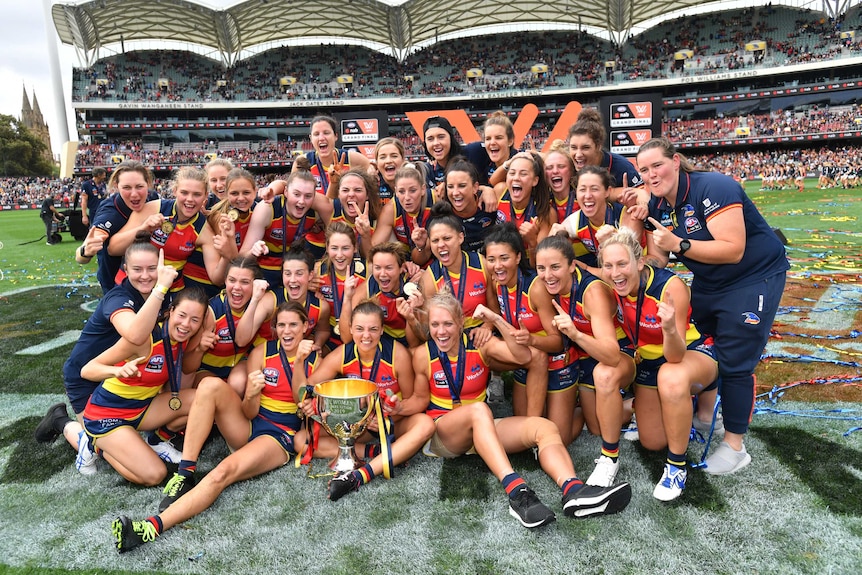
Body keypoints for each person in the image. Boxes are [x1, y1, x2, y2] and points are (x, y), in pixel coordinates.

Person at [636, 137, 789, 475]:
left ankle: (735, 446)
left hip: (752, 277)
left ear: (676, 161)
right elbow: (660, 257)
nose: (651, 174)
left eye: (656, 165)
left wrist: (679, 242)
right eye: (643, 170)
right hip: (712, 282)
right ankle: (707, 415)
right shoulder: (660, 205)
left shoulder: (715, 186)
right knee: (701, 344)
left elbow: (732, 249)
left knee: (736, 358)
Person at [111, 301, 316, 553]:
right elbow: (249, 411)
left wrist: (298, 364)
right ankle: (185, 473)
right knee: (208, 385)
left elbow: (303, 401)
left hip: (278, 437)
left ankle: (150, 528)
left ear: (305, 326)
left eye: (293, 324)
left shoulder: (317, 358)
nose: (287, 331)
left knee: (221, 472)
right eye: (281, 324)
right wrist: (251, 395)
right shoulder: (262, 352)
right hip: (251, 425)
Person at [415, 293, 631, 528]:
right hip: (445, 433)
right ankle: (517, 492)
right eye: (435, 325)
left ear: (460, 323)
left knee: (545, 427)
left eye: (447, 324)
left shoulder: (479, 344)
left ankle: (574, 490)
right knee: (479, 410)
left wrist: (496, 320)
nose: (441, 331)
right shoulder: (421, 355)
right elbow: (417, 401)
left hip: (482, 428)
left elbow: (523, 356)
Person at [35, 235, 180, 472]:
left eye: (152, 269)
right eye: (137, 269)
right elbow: (135, 335)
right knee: (98, 440)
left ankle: (147, 438)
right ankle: (62, 423)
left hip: (120, 375)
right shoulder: (119, 297)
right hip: (89, 377)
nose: (145, 275)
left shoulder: (160, 296)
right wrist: (161, 288)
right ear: (125, 270)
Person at [599, 227, 719, 501]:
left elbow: (675, 356)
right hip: (650, 364)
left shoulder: (669, 286)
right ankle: (667, 407)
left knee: (672, 376)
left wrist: (669, 329)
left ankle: (677, 466)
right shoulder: (610, 285)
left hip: (689, 353)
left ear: (639, 262)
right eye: (608, 265)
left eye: (621, 264)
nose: (615, 272)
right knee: (652, 442)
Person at [293, 300, 435, 502]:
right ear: (350, 328)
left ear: (382, 330)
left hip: (389, 422)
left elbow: (418, 400)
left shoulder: (397, 354)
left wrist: (393, 411)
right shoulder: (343, 354)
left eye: (373, 329)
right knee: (301, 440)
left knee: (426, 425)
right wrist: (307, 394)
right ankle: (377, 452)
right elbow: (305, 391)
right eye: (359, 329)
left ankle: (360, 476)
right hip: (357, 426)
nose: (366, 336)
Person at [79, 288, 212, 486]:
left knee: (203, 400)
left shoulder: (182, 337)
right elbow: (88, 370)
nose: (186, 324)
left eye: (195, 319)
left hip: (143, 408)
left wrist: (200, 347)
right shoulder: (144, 338)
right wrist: (116, 371)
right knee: (154, 475)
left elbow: (187, 367)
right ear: (171, 310)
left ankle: (157, 440)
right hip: (108, 415)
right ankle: (95, 445)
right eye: (182, 315)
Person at [535, 235, 636, 483]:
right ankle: (600, 404)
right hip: (585, 355)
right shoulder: (550, 287)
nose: (548, 275)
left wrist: (576, 334)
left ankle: (639, 408)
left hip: (618, 354)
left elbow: (611, 355)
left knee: (601, 419)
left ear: (572, 265)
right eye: (541, 268)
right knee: (592, 426)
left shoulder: (592, 293)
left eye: (555, 267)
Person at [108, 167, 233, 294]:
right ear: (175, 191)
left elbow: (216, 278)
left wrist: (227, 255)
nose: (190, 199)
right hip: (131, 287)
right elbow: (113, 249)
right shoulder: (153, 208)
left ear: (206, 196)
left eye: (197, 194)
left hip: (168, 293)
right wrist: (143, 229)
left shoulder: (202, 229)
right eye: (184, 193)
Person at [482, 223, 559, 421]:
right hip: (524, 356)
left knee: (558, 430)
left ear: (517, 257)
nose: (497, 265)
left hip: (552, 359)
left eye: (504, 258)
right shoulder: (495, 281)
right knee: (520, 417)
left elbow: (558, 342)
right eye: (491, 259)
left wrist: (531, 339)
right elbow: (496, 313)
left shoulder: (536, 288)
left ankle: (574, 409)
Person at [74, 161, 155, 294]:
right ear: (117, 186)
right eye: (127, 187)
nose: (134, 194)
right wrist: (85, 251)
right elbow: (83, 254)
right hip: (116, 285)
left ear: (148, 184)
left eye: (139, 186)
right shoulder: (110, 211)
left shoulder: (153, 200)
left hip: (148, 281)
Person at [241, 170, 332, 286]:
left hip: (295, 267)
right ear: (286, 192)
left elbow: (336, 237)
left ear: (314, 196)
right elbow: (242, 256)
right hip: (266, 267)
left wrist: (319, 267)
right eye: (296, 194)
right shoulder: (267, 209)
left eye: (308, 196)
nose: (301, 201)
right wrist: (253, 252)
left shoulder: (317, 211)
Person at [196, 256, 271, 396]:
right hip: (206, 370)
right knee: (217, 391)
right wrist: (200, 348)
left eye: (244, 282)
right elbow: (188, 358)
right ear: (225, 281)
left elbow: (242, 340)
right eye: (232, 280)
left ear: (255, 285)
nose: (237, 287)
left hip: (238, 366)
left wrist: (255, 300)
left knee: (238, 382)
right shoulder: (210, 312)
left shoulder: (259, 305)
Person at [551, 165, 639, 276]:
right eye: (582, 189)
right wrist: (553, 238)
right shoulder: (574, 222)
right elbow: (550, 257)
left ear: (608, 192)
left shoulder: (627, 215)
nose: (587, 196)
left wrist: (586, 268)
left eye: (594, 189)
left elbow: (627, 269)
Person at [185, 167, 259, 298]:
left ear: (255, 191)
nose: (241, 198)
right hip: (205, 283)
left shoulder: (259, 211)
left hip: (234, 280)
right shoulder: (220, 218)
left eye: (246, 192)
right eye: (235, 193)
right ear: (227, 193)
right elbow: (232, 261)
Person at [420, 201, 494, 331]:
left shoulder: (481, 263)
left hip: (480, 335)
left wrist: (487, 327)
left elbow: (495, 309)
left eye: (447, 238)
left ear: (460, 238)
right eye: (435, 240)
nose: (441, 244)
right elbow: (430, 327)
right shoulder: (429, 278)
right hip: (448, 337)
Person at [251, 247, 332, 351]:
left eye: (299, 273)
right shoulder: (270, 301)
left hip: (295, 355)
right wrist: (254, 299)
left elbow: (323, 330)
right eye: (288, 273)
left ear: (311, 275)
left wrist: (318, 344)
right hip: (263, 354)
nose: (293, 280)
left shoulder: (321, 306)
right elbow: (242, 339)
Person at [346, 242, 424, 348]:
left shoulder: (413, 284)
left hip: (407, 342)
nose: (382, 274)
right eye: (377, 268)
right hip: (380, 340)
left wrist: (411, 316)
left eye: (389, 268)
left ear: (401, 268)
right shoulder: (369, 287)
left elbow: (415, 343)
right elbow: (346, 338)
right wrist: (347, 298)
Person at [568, 108, 645, 205]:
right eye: (573, 147)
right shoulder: (567, 165)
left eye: (585, 148)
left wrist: (635, 199)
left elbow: (644, 195)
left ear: (599, 146)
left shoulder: (622, 167)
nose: (578, 154)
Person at [493, 151, 555, 265]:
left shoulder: (544, 213)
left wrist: (532, 242)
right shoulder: (500, 191)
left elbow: (540, 266)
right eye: (512, 173)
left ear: (535, 181)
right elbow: (492, 181)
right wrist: (509, 162)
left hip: (528, 269)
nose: (516, 178)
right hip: (500, 264)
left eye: (523, 174)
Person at [315, 221, 367, 352]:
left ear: (355, 248)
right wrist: (311, 292)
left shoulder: (367, 272)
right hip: (327, 336)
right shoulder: (318, 270)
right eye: (334, 248)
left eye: (345, 248)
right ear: (327, 247)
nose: (339, 255)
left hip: (357, 338)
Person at [372, 163, 433, 266]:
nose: (407, 197)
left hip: (435, 257)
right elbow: (374, 249)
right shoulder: (391, 209)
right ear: (395, 191)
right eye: (401, 191)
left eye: (413, 191)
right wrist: (399, 263)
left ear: (423, 189)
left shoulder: (435, 199)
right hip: (406, 260)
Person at [294, 115, 370, 193]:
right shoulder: (302, 161)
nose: (321, 138)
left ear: (335, 136)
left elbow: (373, 175)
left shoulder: (352, 158)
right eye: (316, 134)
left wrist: (373, 170)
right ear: (311, 139)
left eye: (326, 133)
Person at [441, 158, 498, 253]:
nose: (455, 193)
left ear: (475, 187)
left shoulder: (490, 203)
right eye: (450, 187)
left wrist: (488, 189)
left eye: (462, 186)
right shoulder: (443, 214)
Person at [544, 142, 579, 224]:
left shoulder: (583, 200)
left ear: (571, 171)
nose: (555, 171)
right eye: (549, 168)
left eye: (561, 166)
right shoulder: (542, 203)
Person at [370, 137, 406, 202]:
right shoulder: (371, 186)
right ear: (377, 162)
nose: (388, 161)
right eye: (382, 157)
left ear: (403, 159)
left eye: (394, 156)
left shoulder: (416, 180)